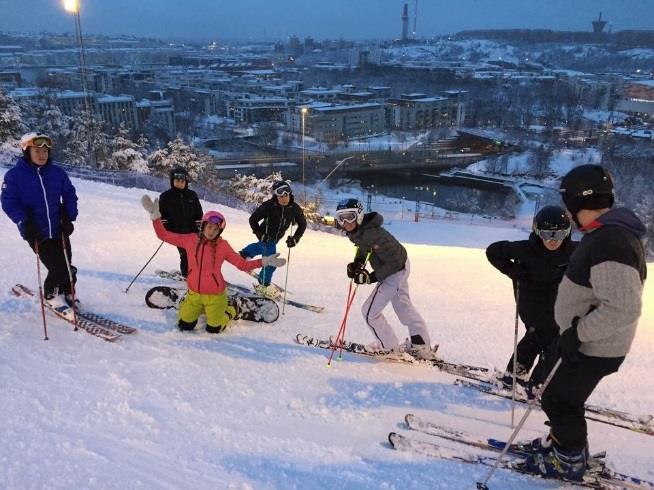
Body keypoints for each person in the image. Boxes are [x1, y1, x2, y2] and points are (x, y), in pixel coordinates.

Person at [523, 164, 647, 482]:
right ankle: (565, 446)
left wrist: (578, 333)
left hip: (595, 345)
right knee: (553, 392)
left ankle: (569, 460)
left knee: (560, 399)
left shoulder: (612, 242)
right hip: (587, 340)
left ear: (577, 203)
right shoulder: (605, 235)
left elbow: (623, 307)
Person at [141, 195, 286, 333]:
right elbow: (164, 235)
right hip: (194, 294)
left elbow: (242, 265)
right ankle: (187, 304)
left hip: (215, 296)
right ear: (203, 225)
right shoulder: (190, 240)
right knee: (184, 325)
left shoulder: (223, 246)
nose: (211, 231)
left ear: (219, 230)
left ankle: (232, 308)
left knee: (214, 329)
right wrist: (156, 217)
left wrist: (265, 261)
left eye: (216, 229)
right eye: (209, 226)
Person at [486, 205, 577, 391]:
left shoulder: (573, 251)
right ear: (537, 231)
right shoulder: (525, 250)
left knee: (540, 337)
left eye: (559, 235)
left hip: (557, 304)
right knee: (549, 340)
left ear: (567, 233)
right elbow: (493, 251)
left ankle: (517, 376)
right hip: (531, 304)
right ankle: (536, 384)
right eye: (547, 234)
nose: (553, 241)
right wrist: (511, 270)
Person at [335, 198, 436, 359]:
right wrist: (358, 263)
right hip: (399, 267)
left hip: (396, 269)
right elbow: (364, 248)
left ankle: (389, 348)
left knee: (369, 313)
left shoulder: (374, 234)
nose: (346, 222)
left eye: (350, 216)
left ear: (359, 216)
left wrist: (370, 277)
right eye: (341, 218)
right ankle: (421, 345)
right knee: (403, 307)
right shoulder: (361, 231)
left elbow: (394, 262)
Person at [1, 132, 79, 318]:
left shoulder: (56, 173)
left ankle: (67, 292)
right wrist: (24, 222)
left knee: (67, 266)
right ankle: (52, 295)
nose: (42, 154)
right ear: (27, 151)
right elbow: (8, 202)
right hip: (36, 231)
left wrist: (69, 216)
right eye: (37, 150)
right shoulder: (15, 176)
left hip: (59, 228)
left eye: (45, 150)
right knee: (58, 267)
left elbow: (69, 194)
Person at [239, 180, 306, 298]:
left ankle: (244, 254)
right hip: (266, 236)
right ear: (276, 195)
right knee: (271, 261)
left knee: (260, 247)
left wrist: (295, 238)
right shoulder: (269, 206)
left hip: (276, 238)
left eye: (287, 194)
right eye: (281, 195)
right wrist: (260, 234)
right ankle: (264, 284)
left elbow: (302, 224)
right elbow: (253, 219)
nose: (284, 198)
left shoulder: (294, 208)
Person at [158, 167, 203, 278]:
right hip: (176, 232)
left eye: (182, 181)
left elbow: (199, 213)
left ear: (186, 182)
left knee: (196, 253)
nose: (180, 183)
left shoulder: (192, 195)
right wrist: (167, 229)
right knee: (185, 254)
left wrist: (199, 229)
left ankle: (196, 273)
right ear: (172, 181)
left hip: (192, 232)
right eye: (177, 181)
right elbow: (162, 215)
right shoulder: (165, 197)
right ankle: (187, 276)